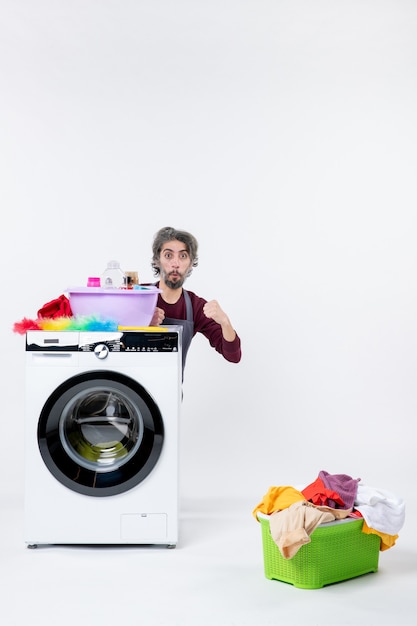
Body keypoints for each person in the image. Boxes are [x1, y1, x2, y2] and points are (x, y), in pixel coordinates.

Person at [148, 226, 242, 375]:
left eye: (183, 256)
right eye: (168, 255)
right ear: (157, 260)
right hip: (126, 391)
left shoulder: (196, 307)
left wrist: (225, 321)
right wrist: (142, 320)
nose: (176, 263)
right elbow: (104, 330)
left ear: (191, 263)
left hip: (169, 393)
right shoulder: (138, 295)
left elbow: (233, 356)